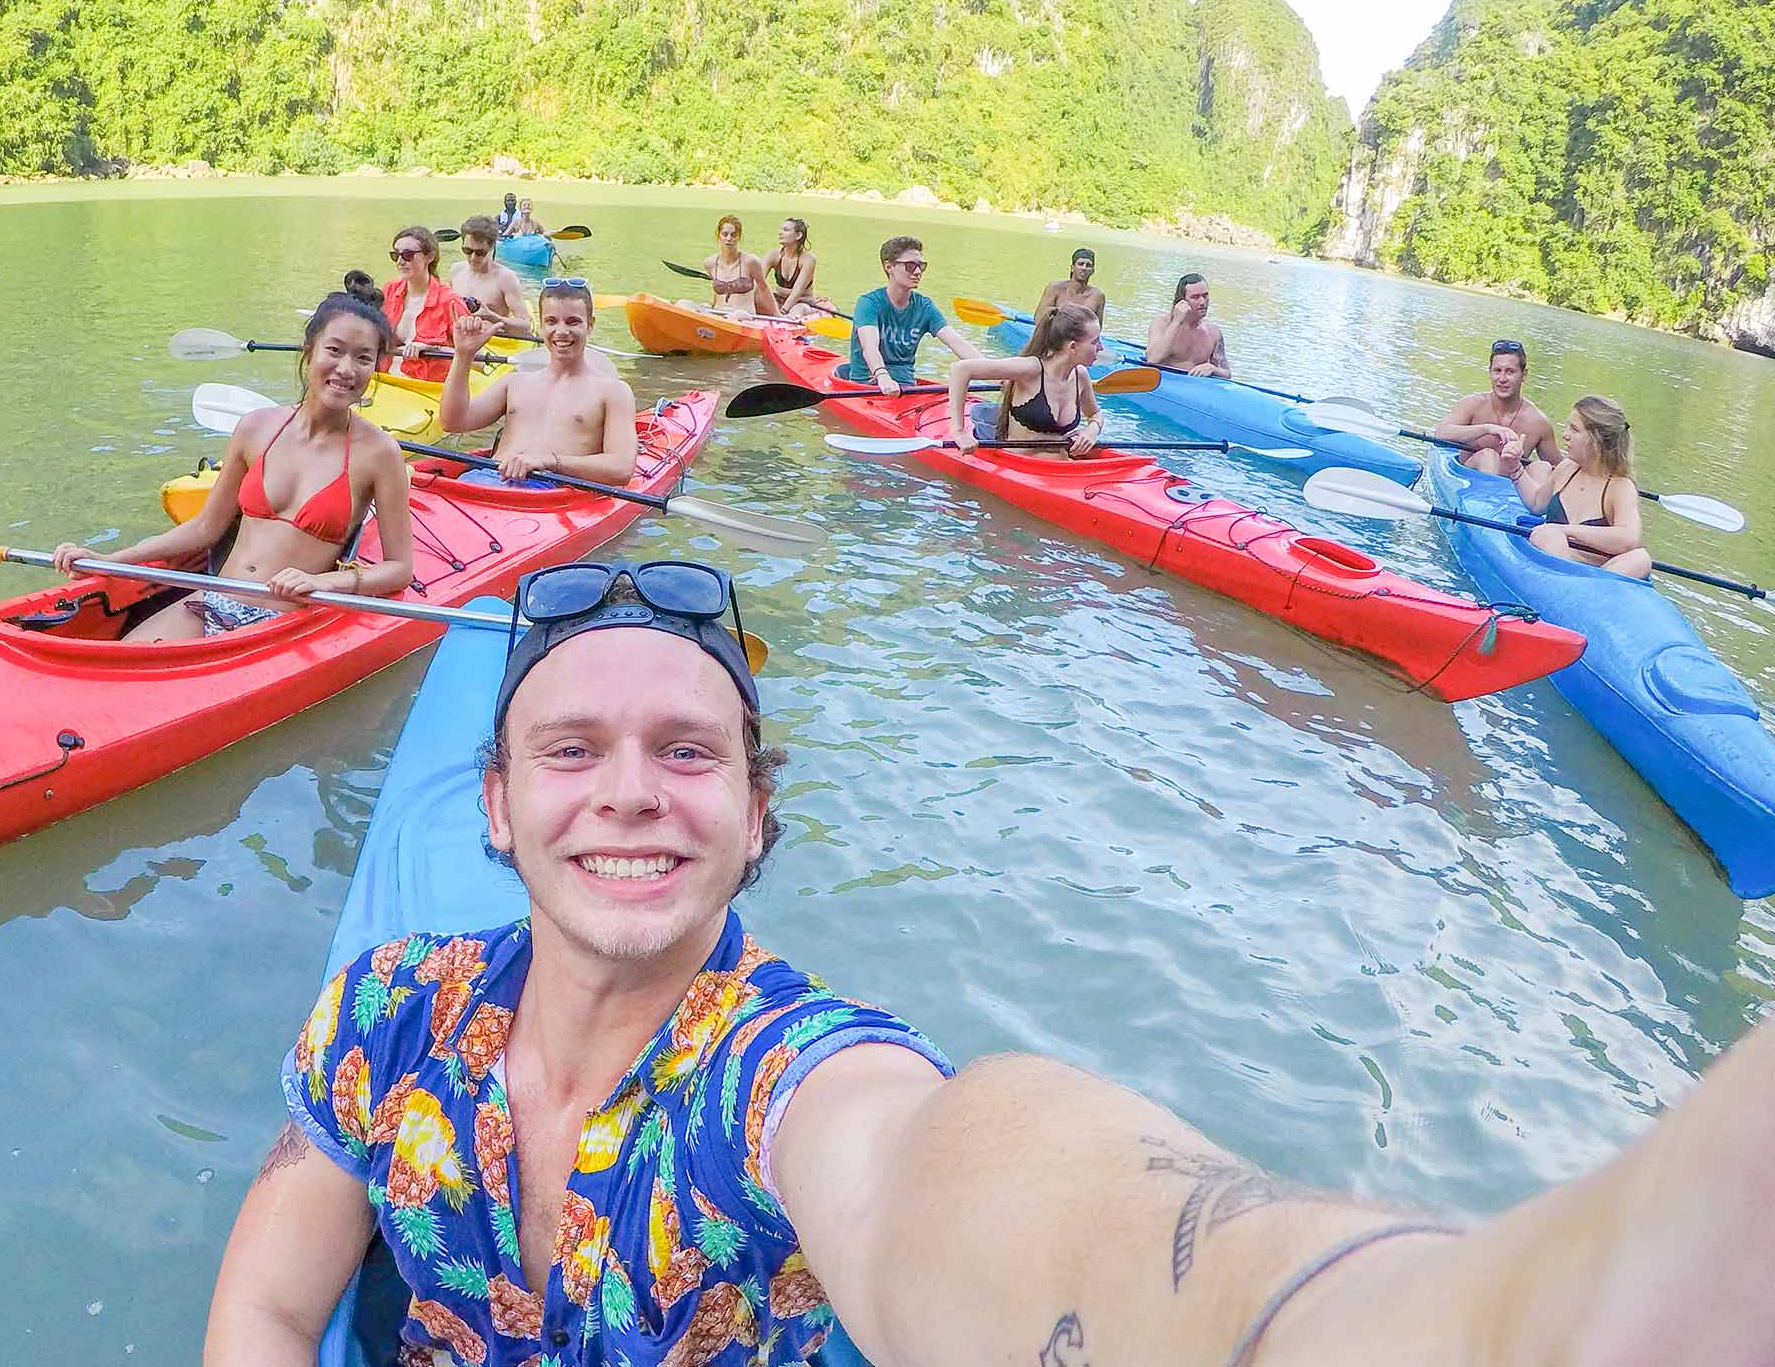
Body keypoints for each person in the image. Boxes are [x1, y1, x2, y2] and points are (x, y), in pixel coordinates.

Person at [204, 558, 1775, 1367]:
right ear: (494, 804)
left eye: (690, 751)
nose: (627, 791)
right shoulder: (390, 1007)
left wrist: (1441, 1317)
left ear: (760, 818)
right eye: (570, 748)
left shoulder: (780, 1077)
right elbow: (272, 1309)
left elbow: (953, 1174)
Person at [51, 295, 415, 642]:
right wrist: (110, 560)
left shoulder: (380, 454)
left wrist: (325, 582)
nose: (346, 369)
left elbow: (399, 568)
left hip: (288, 620)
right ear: (309, 350)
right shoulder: (256, 427)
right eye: (334, 351)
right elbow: (206, 528)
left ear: (376, 366)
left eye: (363, 358)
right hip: (213, 601)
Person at [440, 283, 638, 486]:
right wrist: (463, 355)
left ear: (590, 325)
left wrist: (547, 461)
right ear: (542, 326)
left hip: (547, 491)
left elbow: (621, 468)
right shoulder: (514, 381)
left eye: (573, 322)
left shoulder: (613, 391)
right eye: (551, 321)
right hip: (484, 479)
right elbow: (452, 422)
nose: (561, 331)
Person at [1505, 395, 1653, 579]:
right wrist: (1515, 468)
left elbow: (1628, 539)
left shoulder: (1620, 486)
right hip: (1552, 565)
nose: (1565, 434)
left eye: (1574, 429)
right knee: (1548, 536)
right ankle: (1565, 583)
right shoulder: (1567, 468)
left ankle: (1579, 590)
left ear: (1596, 439)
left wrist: (1565, 530)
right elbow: (1536, 504)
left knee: (1640, 558)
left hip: (1596, 577)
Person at [946, 305, 1104, 456]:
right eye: (1095, 341)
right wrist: (959, 432)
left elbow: (1095, 414)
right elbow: (960, 370)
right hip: (1019, 466)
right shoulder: (1031, 369)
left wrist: (1091, 430)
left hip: (1058, 465)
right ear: (1073, 346)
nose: (1101, 348)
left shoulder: (1080, 375)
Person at [835, 235, 980, 396]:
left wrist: (998, 373)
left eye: (921, 266)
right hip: (868, 387)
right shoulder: (868, 303)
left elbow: (957, 342)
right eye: (910, 265)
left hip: (907, 388)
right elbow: (869, 348)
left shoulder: (925, 306)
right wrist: (882, 375)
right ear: (889, 267)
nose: (918, 271)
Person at [1433, 339, 1558, 475]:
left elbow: (1560, 468)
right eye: (1497, 371)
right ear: (1490, 372)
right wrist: (1486, 429)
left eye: (1510, 372)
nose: (1502, 378)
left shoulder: (1538, 423)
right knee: (1488, 456)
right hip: (1468, 482)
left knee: (1542, 467)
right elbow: (1441, 434)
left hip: (1510, 487)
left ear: (1524, 375)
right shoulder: (1471, 404)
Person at [382, 225, 464, 383]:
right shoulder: (388, 291)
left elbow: (475, 358)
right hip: (386, 382)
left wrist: (432, 348)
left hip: (427, 388)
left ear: (430, 256)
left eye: (408, 255)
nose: (400, 261)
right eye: (396, 255)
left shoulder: (450, 301)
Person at [451, 215, 535, 334]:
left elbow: (525, 326)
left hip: (491, 342)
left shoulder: (506, 278)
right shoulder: (456, 271)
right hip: (459, 338)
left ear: (491, 247)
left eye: (480, 252)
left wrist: (492, 317)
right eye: (468, 251)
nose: (473, 257)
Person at [1144, 272, 1231, 378]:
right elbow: (1152, 360)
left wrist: (1212, 368)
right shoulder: (1162, 323)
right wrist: (1177, 322)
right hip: (1167, 383)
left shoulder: (1214, 331)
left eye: (1205, 295)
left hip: (1195, 387)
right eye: (1195, 297)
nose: (1203, 302)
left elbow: (1227, 373)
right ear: (1182, 301)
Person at [704, 214, 777, 317]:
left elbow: (764, 288)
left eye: (733, 235)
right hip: (719, 313)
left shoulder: (751, 261)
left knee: (738, 314)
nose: (729, 238)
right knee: (684, 303)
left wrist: (778, 314)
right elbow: (716, 293)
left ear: (739, 237)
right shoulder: (710, 263)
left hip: (743, 315)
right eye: (725, 234)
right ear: (718, 235)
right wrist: (709, 306)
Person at [765, 216, 831, 316]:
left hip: (800, 303)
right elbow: (757, 282)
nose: (780, 232)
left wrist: (782, 312)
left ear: (798, 235)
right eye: (781, 229)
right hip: (778, 300)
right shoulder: (773, 255)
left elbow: (797, 292)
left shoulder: (808, 259)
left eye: (786, 230)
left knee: (797, 311)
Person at [1032, 246, 1105, 325]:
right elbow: (1038, 319)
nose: (1084, 268)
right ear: (1072, 268)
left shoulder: (1098, 296)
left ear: (1092, 271)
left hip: (1080, 335)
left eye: (1088, 265)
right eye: (1080, 264)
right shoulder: (1055, 287)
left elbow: (1097, 328)